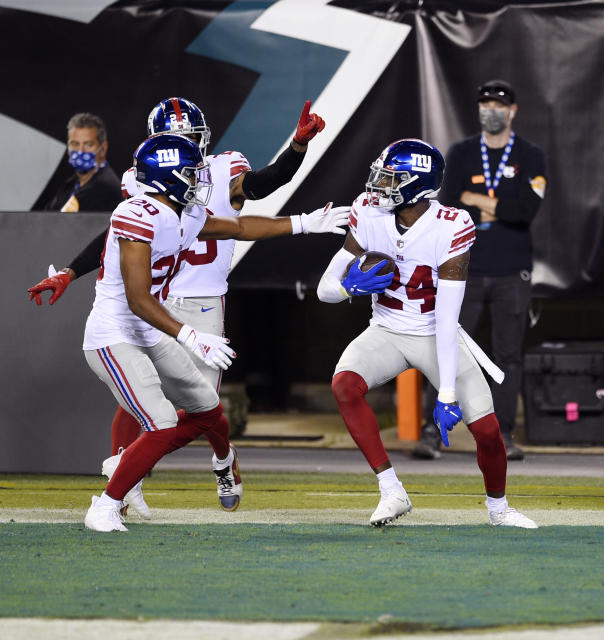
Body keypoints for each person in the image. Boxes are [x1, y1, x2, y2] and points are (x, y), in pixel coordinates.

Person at [29, 97, 326, 516]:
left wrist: (297, 149)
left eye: (192, 140)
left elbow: (259, 190)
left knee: (202, 407)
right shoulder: (142, 184)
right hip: (158, 302)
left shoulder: (220, 170)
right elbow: (116, 234)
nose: (188, 150)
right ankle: (124, 482)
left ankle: (222, 459)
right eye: (176, 141)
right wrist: (69, 271)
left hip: (203, 300)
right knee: (139, 402)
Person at [81, 132, 348, 532]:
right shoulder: (135, 215)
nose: (199, 181)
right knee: (161, 421)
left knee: (207, 408)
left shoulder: (184, 214)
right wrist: (191, 336)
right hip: (114, 334)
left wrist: (304, 224)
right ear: (166, 177)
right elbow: (138, 299)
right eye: (190, 173)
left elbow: (238, 228)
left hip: (149, 331)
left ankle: (134, 463)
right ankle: (105, 504)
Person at [316, 138, 537, 529]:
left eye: (391, 178)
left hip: (435, 334)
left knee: (487, 430)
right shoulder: (368, 212)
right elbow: (324, 288)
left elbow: (448, 319)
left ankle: (499, 510)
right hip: (385, 328)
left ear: (418, 184)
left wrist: (447, 395)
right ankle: (391, 490)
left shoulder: (452, 226)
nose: (378, 185)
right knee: (344, 386)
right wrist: (349, 288)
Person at [413, 79, 547, 461]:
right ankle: (431, 431)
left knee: (508, 355)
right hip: (462, 268)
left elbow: (525, 211)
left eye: (499, 104)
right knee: (445, 347)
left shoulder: (530, 156)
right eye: (485, 103)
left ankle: (504, 432)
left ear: (513, 111)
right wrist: (492, 203)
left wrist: (480, 200)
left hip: (511, 270)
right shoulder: (461, 153)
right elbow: (451, 206)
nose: (492, 109)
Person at [40, 112, 122, 213]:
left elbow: (60, 225)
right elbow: (45, 219)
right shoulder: (70, 185)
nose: (80, 150)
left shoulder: (105, 187)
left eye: (88, 144)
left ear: (103, 149)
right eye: (75, 144)